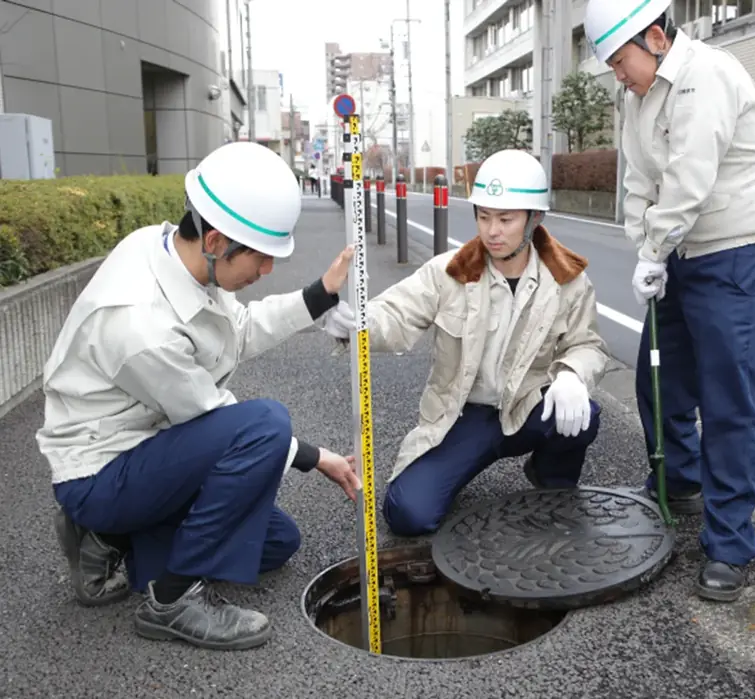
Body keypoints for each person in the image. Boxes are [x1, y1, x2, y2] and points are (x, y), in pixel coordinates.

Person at [36, 141, 363, 651]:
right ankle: (170, 600)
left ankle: (106, 539)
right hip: (100, 470)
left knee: (276, 542)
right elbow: (214, 418)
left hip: (146, 448)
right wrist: (311, 456)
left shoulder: (170, 250)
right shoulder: (140, 323)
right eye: (260, 257)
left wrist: (320, 294)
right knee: (265, 424)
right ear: (215, 240)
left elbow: (239, 330)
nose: (267, 271)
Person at [584, 0, 755, 602]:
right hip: (680, 250)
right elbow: (639, 179)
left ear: (655, 37)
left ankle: (730, 544)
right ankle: (679, 482)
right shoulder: (637, 95)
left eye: (622, 61)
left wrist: (655, 248)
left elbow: (690, 178)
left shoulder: (707, 77)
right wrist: (644, 244)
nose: (619, 76)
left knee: (726, 398)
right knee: (661, 377)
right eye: (613, 66)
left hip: (735, 252)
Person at [322, 149, 610, 536]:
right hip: (464, 415)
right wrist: (358, 322)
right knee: (409, 514)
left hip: (528, 406)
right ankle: (453, 469)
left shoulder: (567, 280)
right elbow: (397, 313)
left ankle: (550, 478)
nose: (492, 231)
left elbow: (587, 344)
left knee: (583, 414)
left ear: (533, 219)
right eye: (484, 216)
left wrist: (573, 375)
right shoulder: (449, 272)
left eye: (506, 219)